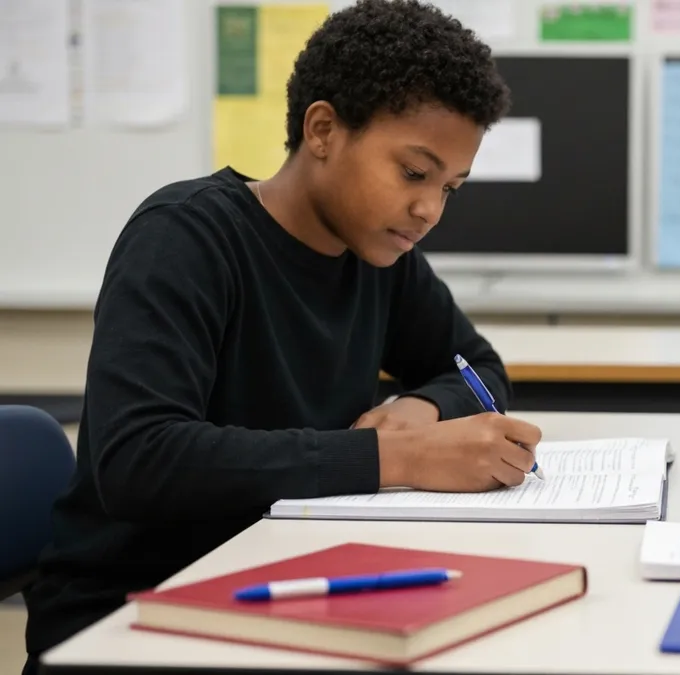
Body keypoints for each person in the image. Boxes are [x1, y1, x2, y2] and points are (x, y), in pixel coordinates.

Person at [21, 1, 542, 671]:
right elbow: (140, 459)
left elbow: (480, 369)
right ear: (322, 130)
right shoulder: (186, 237)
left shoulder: (382, 255)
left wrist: (424, 406)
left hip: (287, 583)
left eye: (451, 188)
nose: (428, 210)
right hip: (134, 614)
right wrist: (397, 457)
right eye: (414, 173)